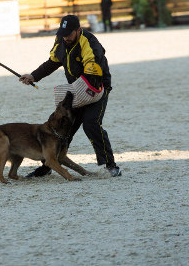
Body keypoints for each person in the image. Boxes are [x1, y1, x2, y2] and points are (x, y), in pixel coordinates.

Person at [19, 14, 121, 178]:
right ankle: (47, 165)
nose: (65, 37)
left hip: (97, 87)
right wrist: (33, 76)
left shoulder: (90, 44)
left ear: (78, 30)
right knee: (60, 126)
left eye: (69, 34)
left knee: (91, 124)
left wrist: (77, 95)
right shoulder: (61, 40)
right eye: (63, 33)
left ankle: (110, 166)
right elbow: (52, 62)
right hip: (76, 88)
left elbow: (92, 74)